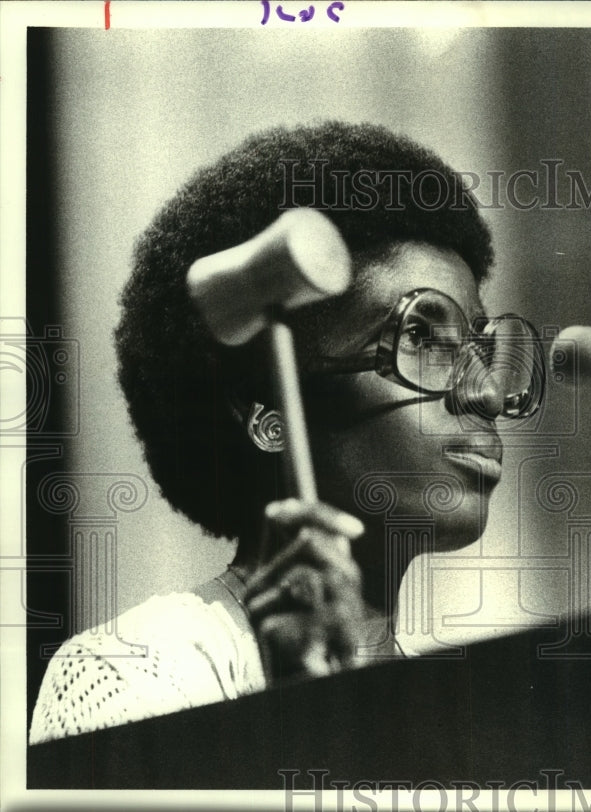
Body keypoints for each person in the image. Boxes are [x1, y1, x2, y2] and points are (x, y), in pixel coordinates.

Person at [29, 121, 545, 743]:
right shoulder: (131, 671)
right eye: (420, 337)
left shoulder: (465, 721)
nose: (487, 391)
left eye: (480, 347)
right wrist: (302, 715)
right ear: (271, 415)